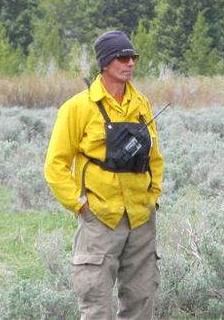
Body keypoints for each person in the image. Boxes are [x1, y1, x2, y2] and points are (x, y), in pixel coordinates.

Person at [44, 30, 164, 320]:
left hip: (140, 218)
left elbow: (155, 158)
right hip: (100, 217)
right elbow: (55, 165)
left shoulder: (141, 104)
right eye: (123, 57)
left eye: (133, 57)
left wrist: (153, 198)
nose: (130, 63)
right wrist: (79, 204)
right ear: (106, 63)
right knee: (96, 303)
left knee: (141, 300)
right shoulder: (78, 107)